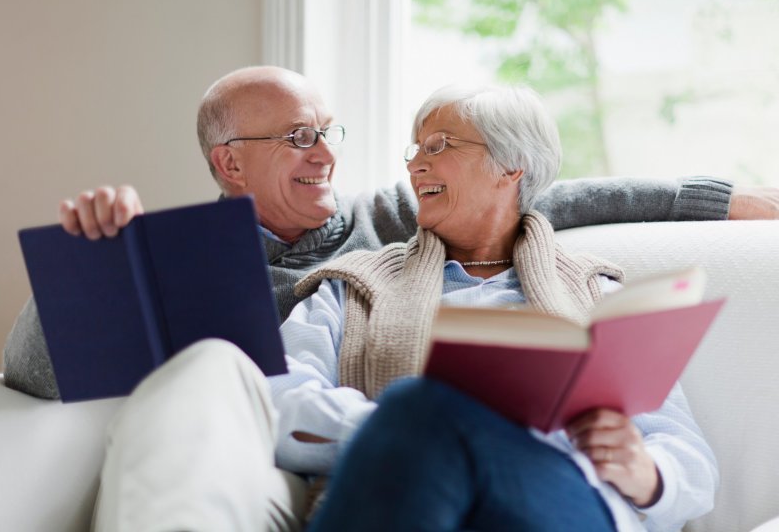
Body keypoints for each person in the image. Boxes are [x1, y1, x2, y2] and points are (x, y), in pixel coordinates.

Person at [2, 66, 779, 402]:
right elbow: (33, 374)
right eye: (298, 137)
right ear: (229, 164)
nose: (326, 152)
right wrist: (96, 266)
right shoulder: (179, 262)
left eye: (327, 130)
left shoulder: (397, 219)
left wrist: (737, 198)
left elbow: (565, 197)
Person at [274, 83, 717, 531]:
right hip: (411, 494)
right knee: (420, 406)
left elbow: (690, 456)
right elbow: (280, 403)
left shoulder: (597, 294)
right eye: (414, 150)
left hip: (559, 503)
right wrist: (411, 431)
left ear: (510, 166)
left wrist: (644, 471)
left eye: (439, 145)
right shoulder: (351, 287)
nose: (414, 164)